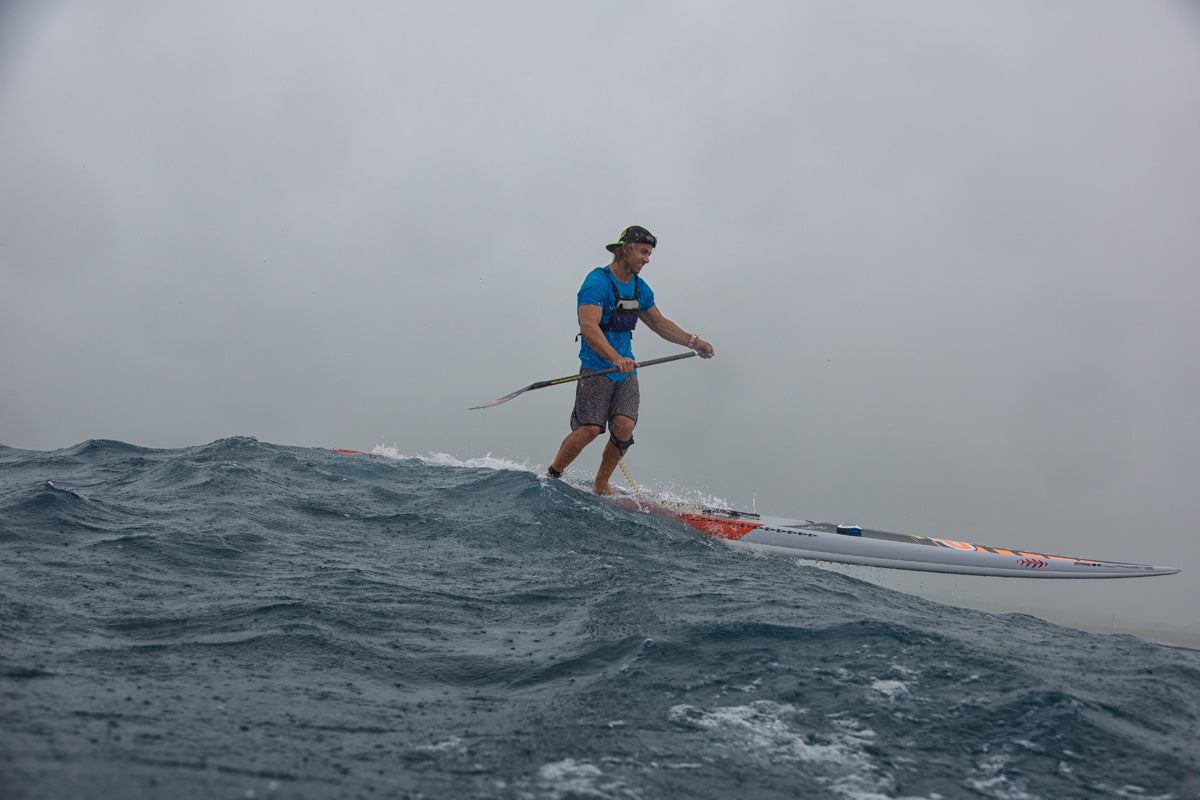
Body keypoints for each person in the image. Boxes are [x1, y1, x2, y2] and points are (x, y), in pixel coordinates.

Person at [546, 225, 715, 494]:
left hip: (626, 370)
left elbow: (660, 323)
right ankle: (553, 474)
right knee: (590, 429)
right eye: (643, 252)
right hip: (596, 368)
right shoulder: (596, 282)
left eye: (649, 254)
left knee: (624, 426)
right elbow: (589, 327)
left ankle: (601, 484)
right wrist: (614, 357)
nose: (647, 259)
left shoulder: (639, 288)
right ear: (625, 249)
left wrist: (694, 342)